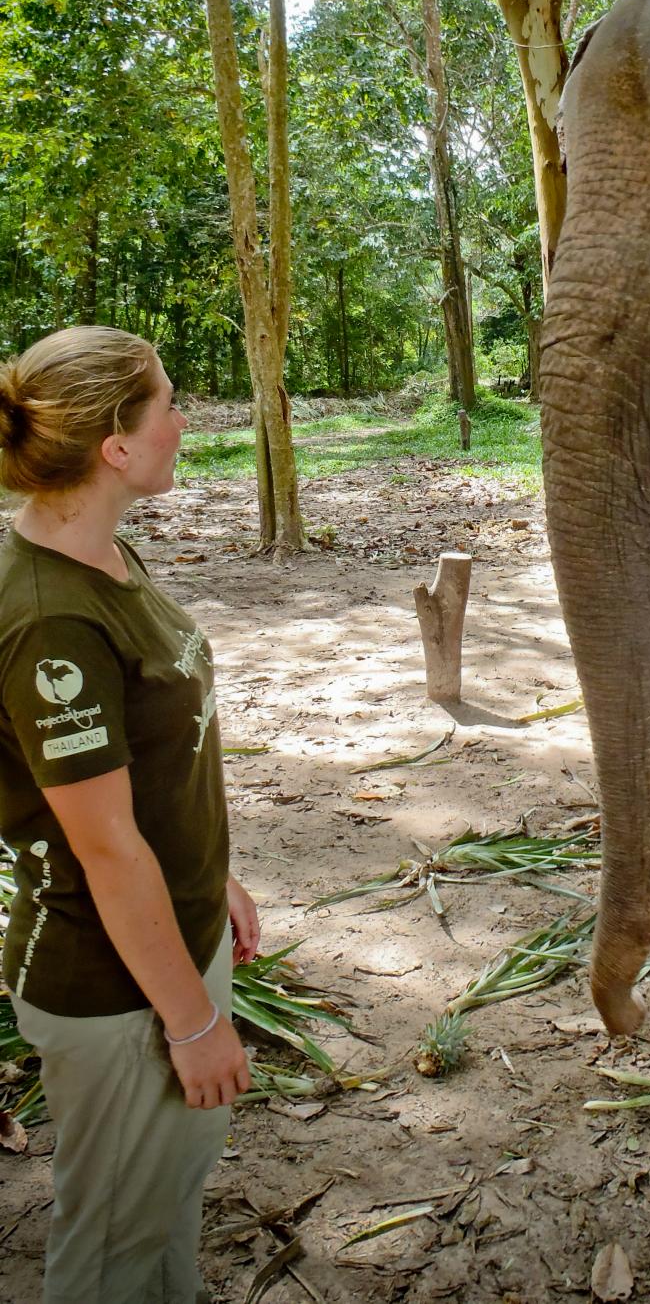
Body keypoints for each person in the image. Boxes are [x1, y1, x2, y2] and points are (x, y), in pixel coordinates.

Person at [0, 326, 260, 1304]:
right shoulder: (50, 620)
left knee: (164, 1205)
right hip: (112, 987)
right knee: (109, 1244)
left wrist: (210, 876)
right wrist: (192, 1025)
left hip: (167, 940)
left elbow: (153, 765)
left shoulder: (109, 556)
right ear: (116, 445)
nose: (184, 419)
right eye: (167, 402)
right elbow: (104, 848)